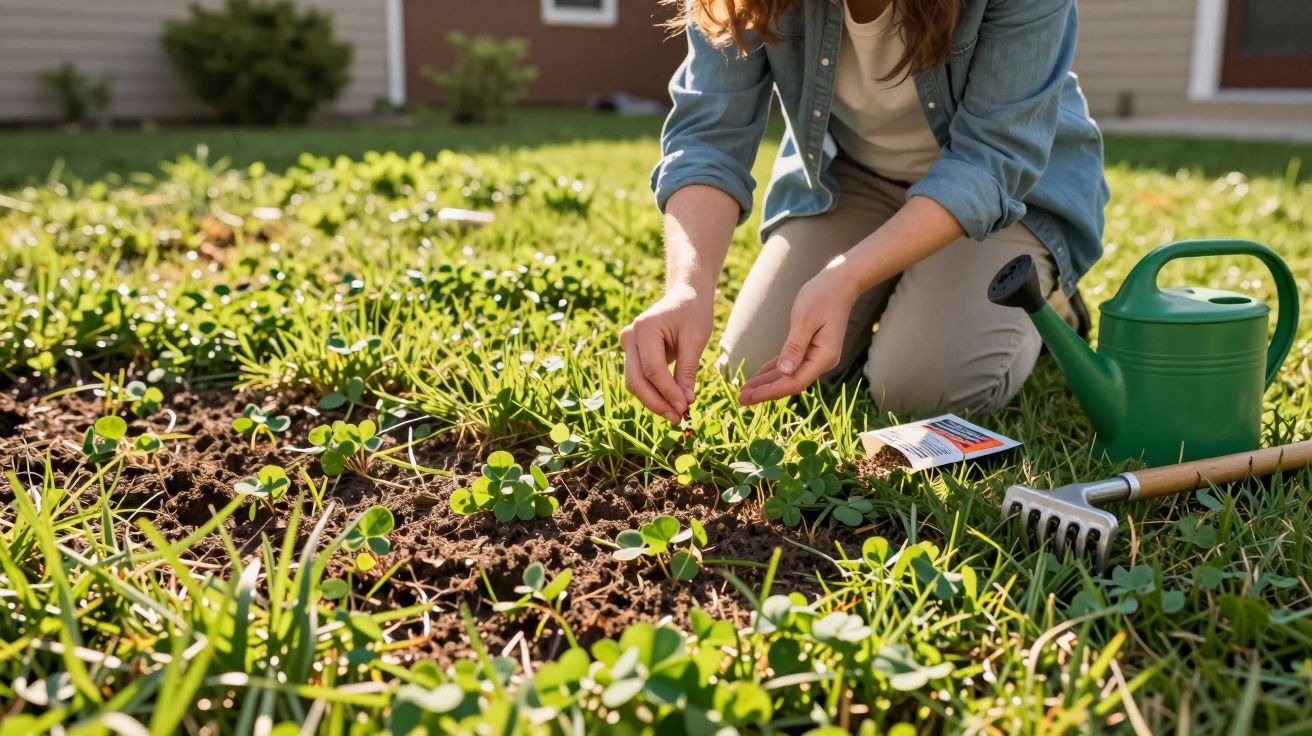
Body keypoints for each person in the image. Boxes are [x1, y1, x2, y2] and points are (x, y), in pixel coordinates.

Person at [620, 0, 1108, 423]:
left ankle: (1050, 303)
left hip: (1003, 196)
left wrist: (849, 276)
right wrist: (688, 287)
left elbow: (994, 161)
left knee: (919, 391)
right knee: (757, 365)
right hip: (855, 177)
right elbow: (709, 137)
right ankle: (911, 286)